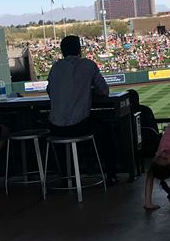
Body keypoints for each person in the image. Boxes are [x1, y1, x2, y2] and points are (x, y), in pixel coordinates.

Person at [47, 35, 117, 181]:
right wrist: (88, 90)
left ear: (62, 51)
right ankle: (111, 175)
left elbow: (49, 91)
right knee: (106, 130)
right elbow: (104, 91)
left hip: (55, 127)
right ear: (79, 50)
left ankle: (66, 176)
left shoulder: (55, 67)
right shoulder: (88, 65)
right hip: (79, 126)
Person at [127, 88, 160, 157]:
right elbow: (155, 130)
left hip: (134, 149)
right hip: (151, 146)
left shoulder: (127, 114)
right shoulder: (147, 109)